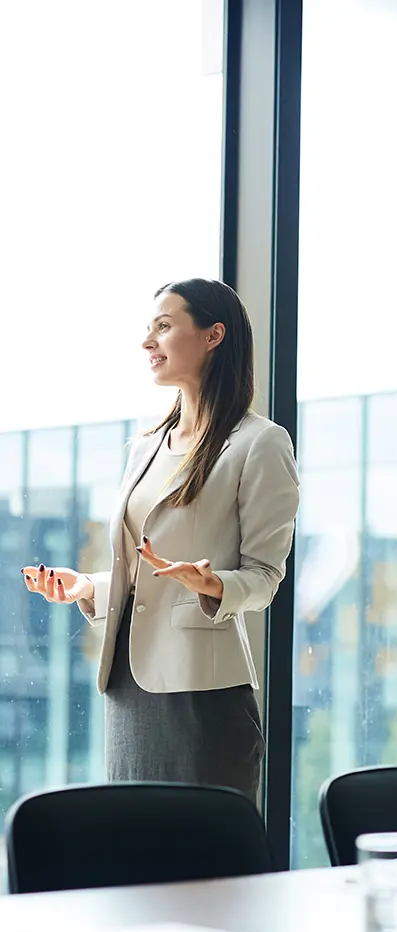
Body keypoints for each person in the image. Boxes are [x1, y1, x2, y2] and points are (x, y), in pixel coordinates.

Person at [22, 279, 299, 801]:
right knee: (135, 857)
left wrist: (213, 582)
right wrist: (88, 587)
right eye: (148, 330)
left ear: (214, 335)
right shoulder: (146, 444)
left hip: (202, 696)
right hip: (128, 687)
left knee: (204, 868)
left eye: (164, 327)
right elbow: (145, 573)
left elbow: (265, 578)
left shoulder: (260, 443)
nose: (148, 342)